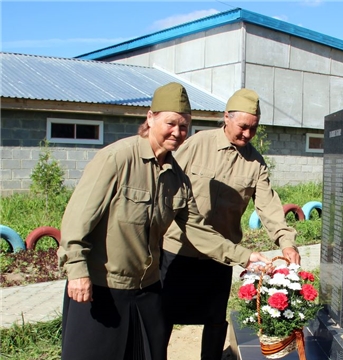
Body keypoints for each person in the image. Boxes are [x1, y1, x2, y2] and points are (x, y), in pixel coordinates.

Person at [57, 82, 270, 360]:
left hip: (147, 289)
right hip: (102, 287)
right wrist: (77, 271)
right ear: (150, 118)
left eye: (184, 126)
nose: (177, 132)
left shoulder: (177, 179)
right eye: (171, 123)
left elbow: (197, 229)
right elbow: (78, 220)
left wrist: (246, 256)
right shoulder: (117, 158)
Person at [161, 88, 301, 360]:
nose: (247, 134)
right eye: (243, 127)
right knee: (163, 317)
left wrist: (287, 242)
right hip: (179, 248)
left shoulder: (255, 162)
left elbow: (268, 205)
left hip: (222, 254)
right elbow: (166, 183)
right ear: (226, 117)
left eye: (254, 129)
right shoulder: (197, 144)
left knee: (214, 320)